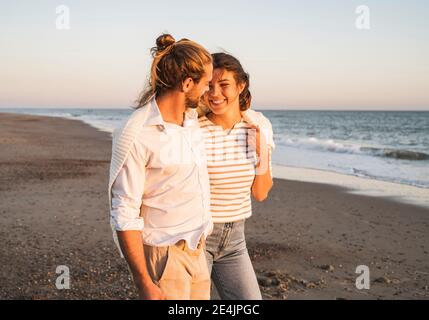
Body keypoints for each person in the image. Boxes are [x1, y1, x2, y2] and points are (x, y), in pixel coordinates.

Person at [108, 34, 214, 300]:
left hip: (197, 251)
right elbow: (124, 211)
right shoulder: (138, 132)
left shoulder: (191, 120)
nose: (209, 91)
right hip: (165, 258)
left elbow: (232, 108)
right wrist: (143, 281)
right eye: (206, 84)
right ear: (187, 83)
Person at [198, 52, 275, 300]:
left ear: (241, 86)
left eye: (223, 85)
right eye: (209, 86)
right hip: (197, 240)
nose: (215, 93)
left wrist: (262, 152)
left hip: (235, 240)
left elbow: (261, 193)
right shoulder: (193, 130)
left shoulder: (257, 128)